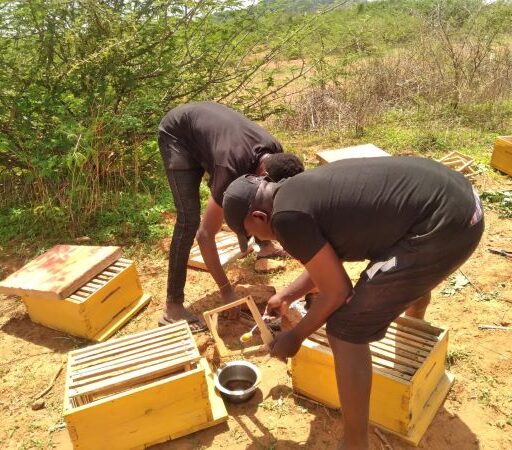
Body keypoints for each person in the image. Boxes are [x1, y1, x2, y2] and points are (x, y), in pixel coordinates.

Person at [222, 156, 483, 449]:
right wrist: (288, 295)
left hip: (445, 226)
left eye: (251, 235)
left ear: (258, 217)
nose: (256, 241)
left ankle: (355, 443)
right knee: (401, 274)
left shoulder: (286, 219)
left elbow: (337, 292)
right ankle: (414, 326)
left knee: (345, 329)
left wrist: (295, 336)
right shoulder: (294, 191)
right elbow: (329, 259)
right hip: (461, 200)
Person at [158, 101, 304, 331]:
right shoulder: (229, 169)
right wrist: (227, 291)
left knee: (258, 198)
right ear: (263, 174)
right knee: (189, 220)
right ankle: (173, 307)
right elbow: (205, 236)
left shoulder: (276, 153)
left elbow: (267, 202)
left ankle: (264, 246)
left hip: (212, 135)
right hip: (178, 135)